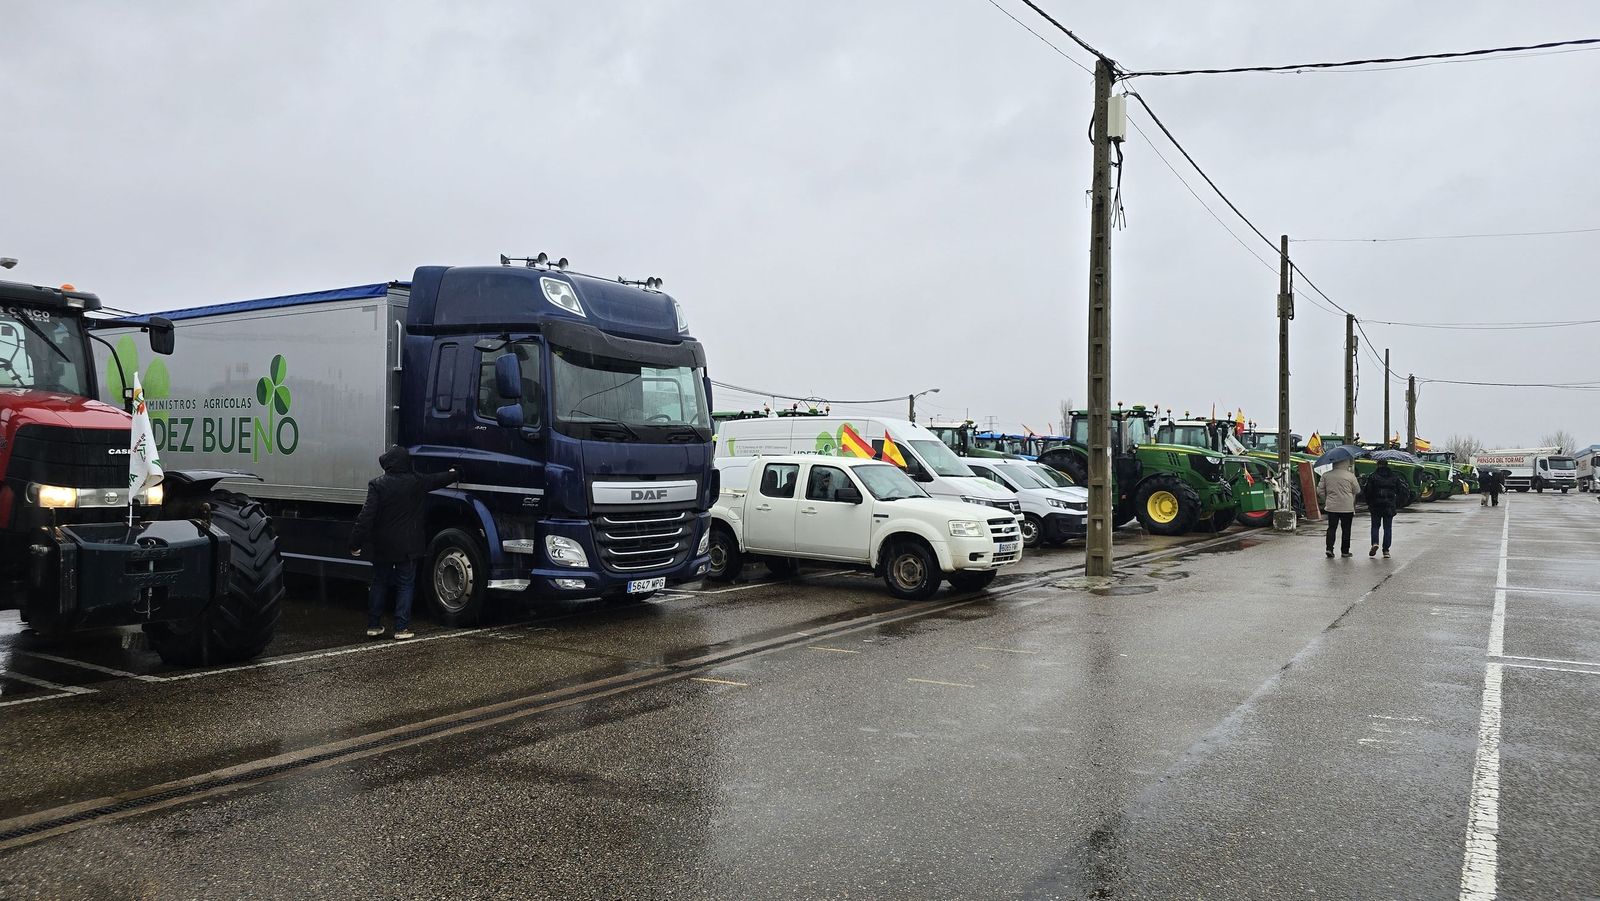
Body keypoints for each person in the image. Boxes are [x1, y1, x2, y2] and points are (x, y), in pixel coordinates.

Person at [350, 446, 459, 639]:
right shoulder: (416, 481)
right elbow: (437, 479)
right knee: (405, 584)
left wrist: (355, 543)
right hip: (408, 545)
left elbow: (366, 517)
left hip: (383, 544)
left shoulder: (377, 485)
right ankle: (401, 628)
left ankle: (374, 625)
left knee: (379, 582)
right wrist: (454, 473)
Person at [1363, 459, 1408, 558]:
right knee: (1387, 528)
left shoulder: (1372, 476)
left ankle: (1375, 543)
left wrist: (1369, 503)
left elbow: (1367, 492)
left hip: (1376, 505)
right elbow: (1400, 490)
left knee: (1375, 526)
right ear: (1387, 465)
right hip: (1389, 506)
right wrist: (1396, 503)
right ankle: (1386, 550)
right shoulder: (1394, 477)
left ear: (1378, 465)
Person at [1317, 459, 1361, 558]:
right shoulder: (1350, 476)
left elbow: (1320, 491)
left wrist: (1326, 499)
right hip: (1347, 507)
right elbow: (1357, 490)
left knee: (1332, 528)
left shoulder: (1326, 475)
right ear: (1346, 463)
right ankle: (1345, 551)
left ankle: (1329, 549)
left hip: (1332, 507)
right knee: (1346, 529)